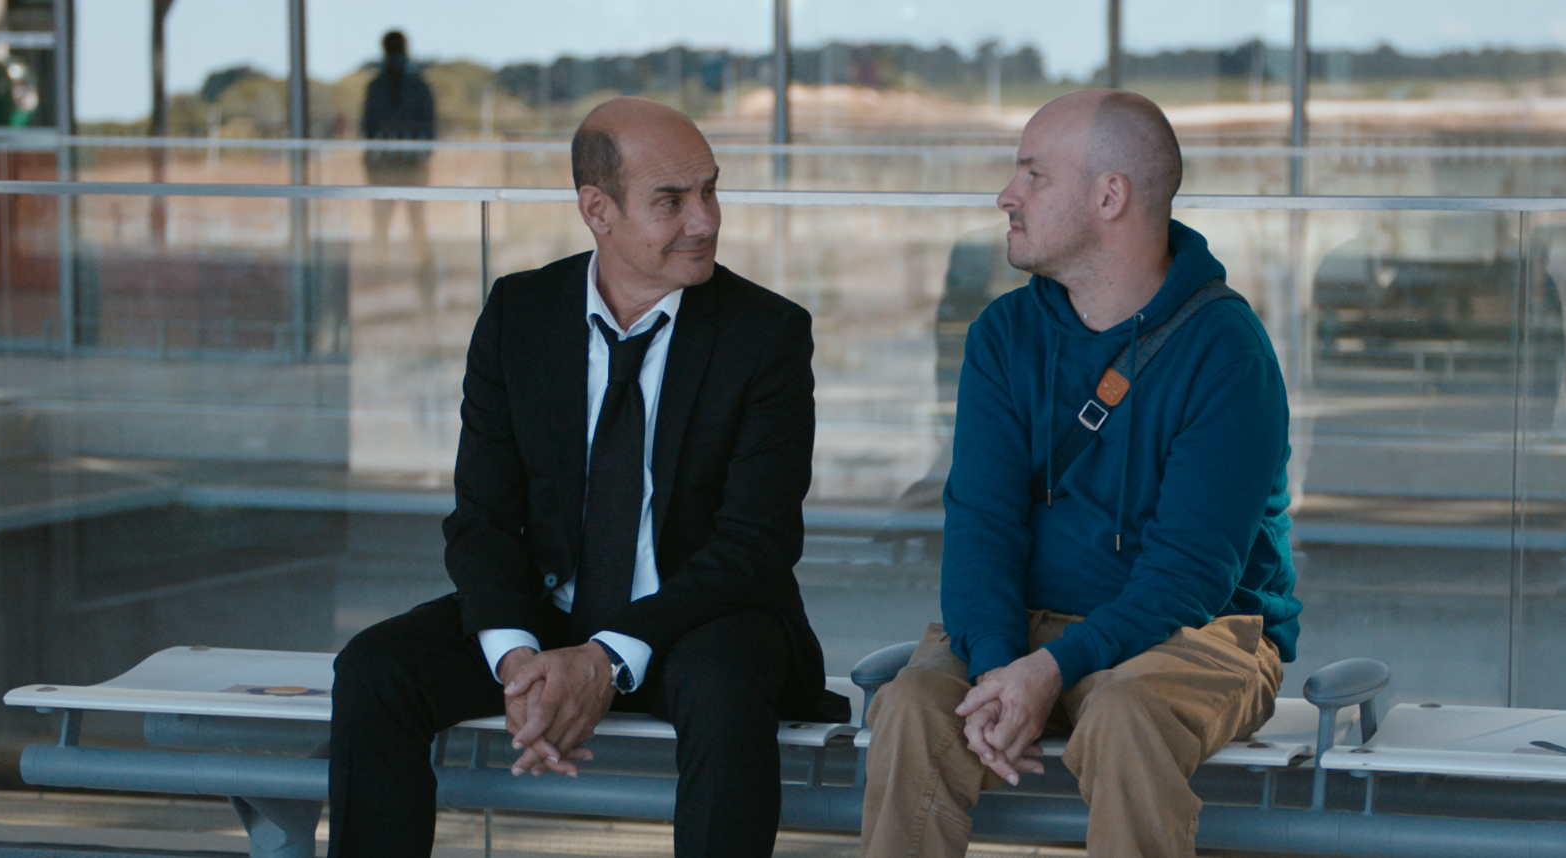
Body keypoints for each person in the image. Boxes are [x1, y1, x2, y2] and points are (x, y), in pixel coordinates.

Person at [328, 96, 848, 858]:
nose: (704, 220)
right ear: (597, 209)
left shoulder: (766, 333)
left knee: (724, 686)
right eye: (671, 201)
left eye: (709, 190)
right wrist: (518, 662)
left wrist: (604, 659)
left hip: (697, 620)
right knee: (374, 670)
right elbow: (482, 516)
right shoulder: (520, 314)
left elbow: (756, 545)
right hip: (551, 613)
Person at [860, 89, 1301, 858]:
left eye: (1033, 175)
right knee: (913, 707)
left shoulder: (1227, 352)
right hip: (1025, 627)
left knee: (1128, 716)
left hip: (1195, 634)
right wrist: (1001, 671)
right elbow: (982, 527)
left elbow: (1191, 576)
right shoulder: (1004, 336)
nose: (1007, 195)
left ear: (1110, 196)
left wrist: (1053, 669)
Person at [361, 30, 436, 286]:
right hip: (396, 167)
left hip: (399, 166)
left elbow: (368, 129)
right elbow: (369, 128)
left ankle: (413, 277)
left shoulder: (388, 86)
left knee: (400, 223)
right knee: (395, 223)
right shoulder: (402, 85)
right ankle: (402, 277)